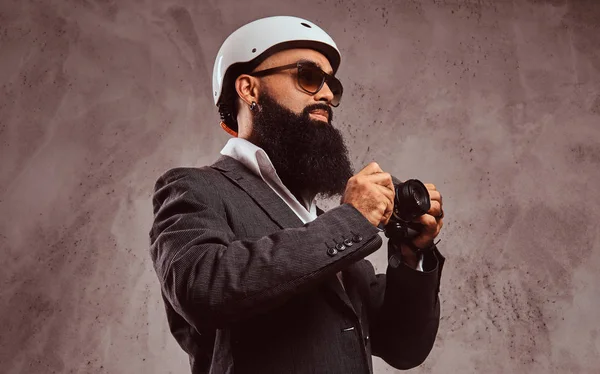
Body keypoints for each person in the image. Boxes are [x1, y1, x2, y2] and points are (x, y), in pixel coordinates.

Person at [149, 16, 445, 374]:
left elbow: (404, 347)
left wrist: (411, 255)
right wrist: (353, 220)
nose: (325, 95)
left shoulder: (322, 225)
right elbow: (202, 288)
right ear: (248, 89)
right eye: (308, 77)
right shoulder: (194, 188)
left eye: (331, 85)